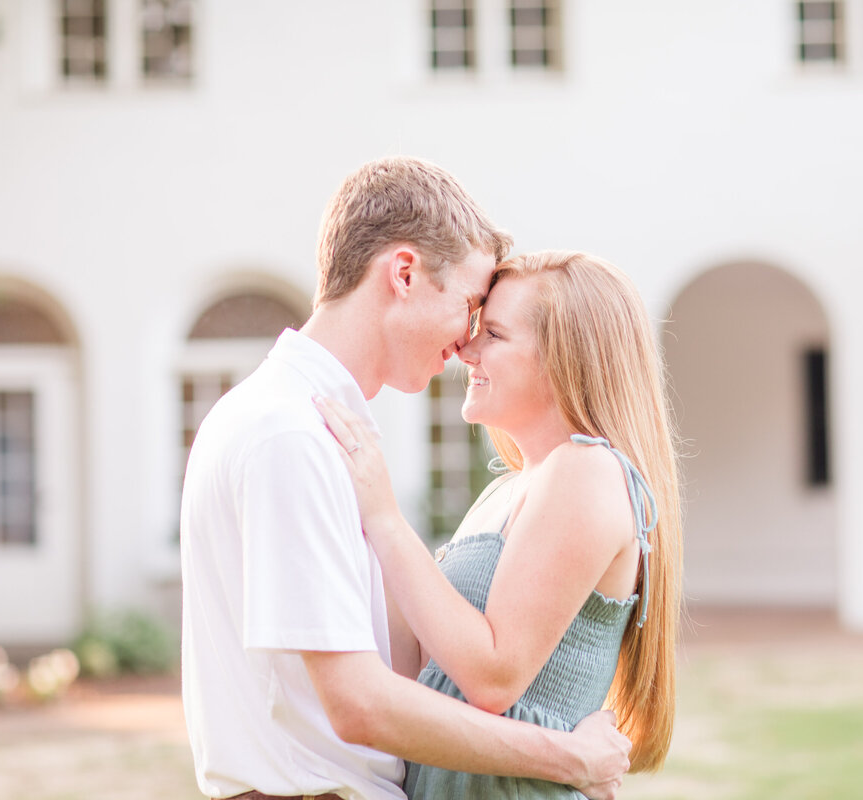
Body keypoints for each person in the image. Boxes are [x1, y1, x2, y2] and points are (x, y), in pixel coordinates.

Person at [180, 159, 632, 800]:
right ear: (404, 274)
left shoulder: (315, 429)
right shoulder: (291, 434)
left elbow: (407, 668)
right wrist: (568, 757)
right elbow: (360, 705)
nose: (465, 343)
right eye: (471, 307)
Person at [314, 249, 684, 798]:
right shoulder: (505, 492)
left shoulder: (586, 471)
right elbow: (420, 665)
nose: (465, 348)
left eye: (494, 334)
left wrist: (386, 520)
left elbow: (491, 677)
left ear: (565, 359)